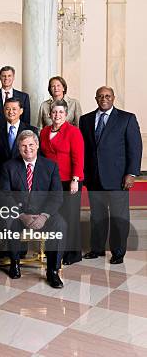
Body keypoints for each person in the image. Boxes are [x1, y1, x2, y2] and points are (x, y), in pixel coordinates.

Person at [79, 86, 142, 264]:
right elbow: (83, 149)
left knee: (118, 217)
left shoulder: (126, 118)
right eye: (100, 96)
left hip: (118, 178)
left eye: (107, 96)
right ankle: (97, 249)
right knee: (97, 216)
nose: (104, 99)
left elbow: (135, 148)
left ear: (113, 98)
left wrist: (131, 173)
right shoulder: (85, 120)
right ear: (96, 98)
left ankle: (118, 252)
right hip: (94, 177)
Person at [0, 130, 66, 288]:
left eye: (30, 145)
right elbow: (4, 195)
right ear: (18, 148)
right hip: (19, 212)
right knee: (10, 221)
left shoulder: (50, 166)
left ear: (37, 145)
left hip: (44, 213)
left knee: (60, 225)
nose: (27, 149)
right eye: (23, 146)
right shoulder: (9, 166)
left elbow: (56, 196)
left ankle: (52, 271)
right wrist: (21, 215)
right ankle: (14, 263)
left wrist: (44, 216)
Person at [40, 100, 84, 265]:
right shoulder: (44, 132)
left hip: (69, 181)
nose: (57, 115)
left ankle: (72, 254)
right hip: (51, 182)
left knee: (70, 217)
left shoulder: (73, 132)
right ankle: (56, 249)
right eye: (54, 112)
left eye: (60, 112)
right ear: (50, 114)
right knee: (55, 216)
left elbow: (78, 158)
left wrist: (75, 179)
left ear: (66, 114)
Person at [0, 98, 38, 189]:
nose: (11, 112)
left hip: (23, 179)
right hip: (0, 178)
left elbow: (36, 157)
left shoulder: (31, 130)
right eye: (7, 109)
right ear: (3, 110)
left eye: (14, 109)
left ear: (21, 111)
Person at [0, 66, 31, 140]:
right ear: (0, 78)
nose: (6, 78)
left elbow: (26, 121)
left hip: (18, 138)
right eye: (4, 76)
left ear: (13, 77)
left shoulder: (24, 97)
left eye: (9, 76)